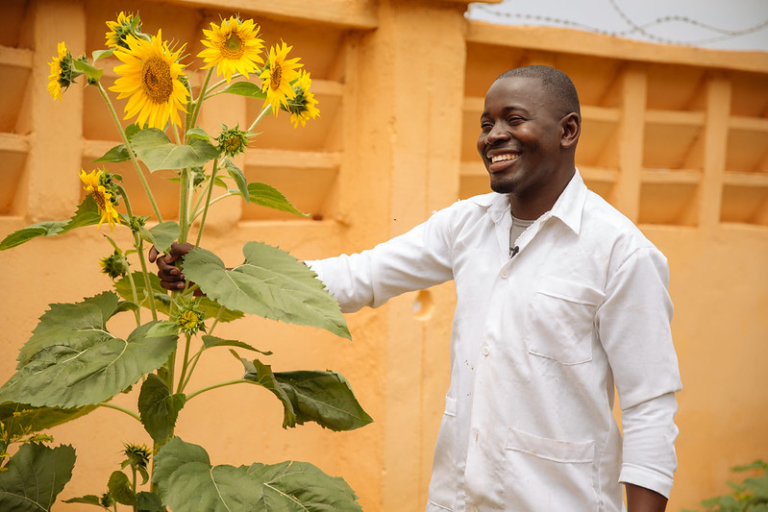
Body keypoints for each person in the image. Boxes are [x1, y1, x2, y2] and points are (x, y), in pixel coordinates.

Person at [152, 65, 682, 512]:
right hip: (457, 500)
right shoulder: (467, 225)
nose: (493, 135)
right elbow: (360, 276)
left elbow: (649, 406)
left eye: (513, 120)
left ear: (568, 131)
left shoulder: (619, 253)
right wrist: (220, 279)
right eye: (486, 123)